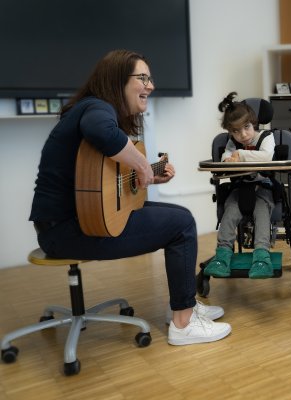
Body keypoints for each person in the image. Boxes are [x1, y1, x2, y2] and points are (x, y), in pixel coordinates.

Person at [29, 49, 231, 346]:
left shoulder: (89, 108)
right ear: (117, 80)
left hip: (71, 223)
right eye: (143, 78)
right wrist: (140, 165)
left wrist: (146, 174)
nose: (150, 85)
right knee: (182, 223)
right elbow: (100, 131)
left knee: (175, 217)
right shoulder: (97, 109)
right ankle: (184, 323)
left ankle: (182, 303)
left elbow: (102, 186)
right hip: (69, 229)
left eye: (151, 78)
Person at [203, 92, 276, 279]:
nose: (242, 135)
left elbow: (266, 156)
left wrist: (241, 155)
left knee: (261, 212)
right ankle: (223, 256)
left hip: (262, 188)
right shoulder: (231, 143)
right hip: (240, 189)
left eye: (246, 127)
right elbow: (225, 160)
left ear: (254, 123)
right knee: (230, 213)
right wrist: (229, 158)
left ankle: (261, 257)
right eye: (235, 131)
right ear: (230, 132)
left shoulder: (266, 137)